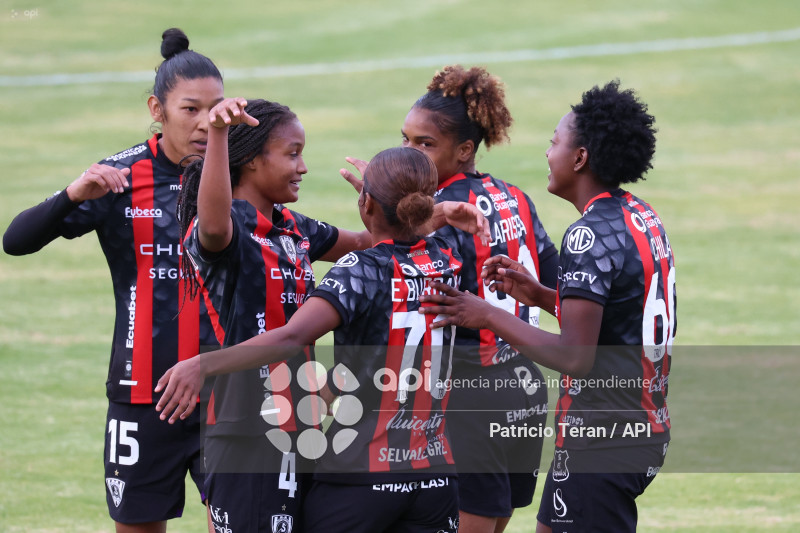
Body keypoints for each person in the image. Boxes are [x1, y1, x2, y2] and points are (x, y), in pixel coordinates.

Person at [166, 98, 488, 532]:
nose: (302, 167)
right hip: (248, 432)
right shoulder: (226, 231)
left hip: (305, 425)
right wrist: (219, 137)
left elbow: (373, 243)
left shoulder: (293, 227)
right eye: (292, 153)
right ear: (250, 161)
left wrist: (423, 211)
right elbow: (214, 226)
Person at [419, 80, 675, 533]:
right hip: (640, 425)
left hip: (601, 438)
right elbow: (619, 313)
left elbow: (575, 355)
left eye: (555, 143)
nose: (547, 153)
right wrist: (539, 295)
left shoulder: (587, 234)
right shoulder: (641, 216)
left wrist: (487, 313)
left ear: (580, 158)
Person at [2, 29, 223, 532]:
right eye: (190, 109)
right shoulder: (120, 177)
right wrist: (72, 195)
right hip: (141, 394)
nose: (205, 122)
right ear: (157, 108)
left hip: (226, 393)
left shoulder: (237, 174)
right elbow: (16, 241)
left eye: (215, 109)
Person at [397, 64, 559, 533]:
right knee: (495, 517)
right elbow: (557, 284)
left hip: (468, 397)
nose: (409, 152)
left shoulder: (446, 216)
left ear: (464, 150)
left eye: (424, 144)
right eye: (404, 139)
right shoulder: (515, 198)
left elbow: (393, 272)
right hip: (524, 386)